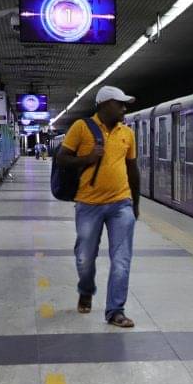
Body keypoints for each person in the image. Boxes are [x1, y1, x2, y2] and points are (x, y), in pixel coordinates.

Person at [57, 85, 140, 327]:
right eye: (120, 103)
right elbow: (62, 158)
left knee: (122, 260)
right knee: (85, 258)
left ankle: (115, 310)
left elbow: (132, 169)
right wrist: (87, 159)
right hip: (88, 205)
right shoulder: (81, 128)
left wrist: (135, 203)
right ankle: (86, 289)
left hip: (121, 204)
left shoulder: (127, 133)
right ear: (105, 105)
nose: (124, 108)